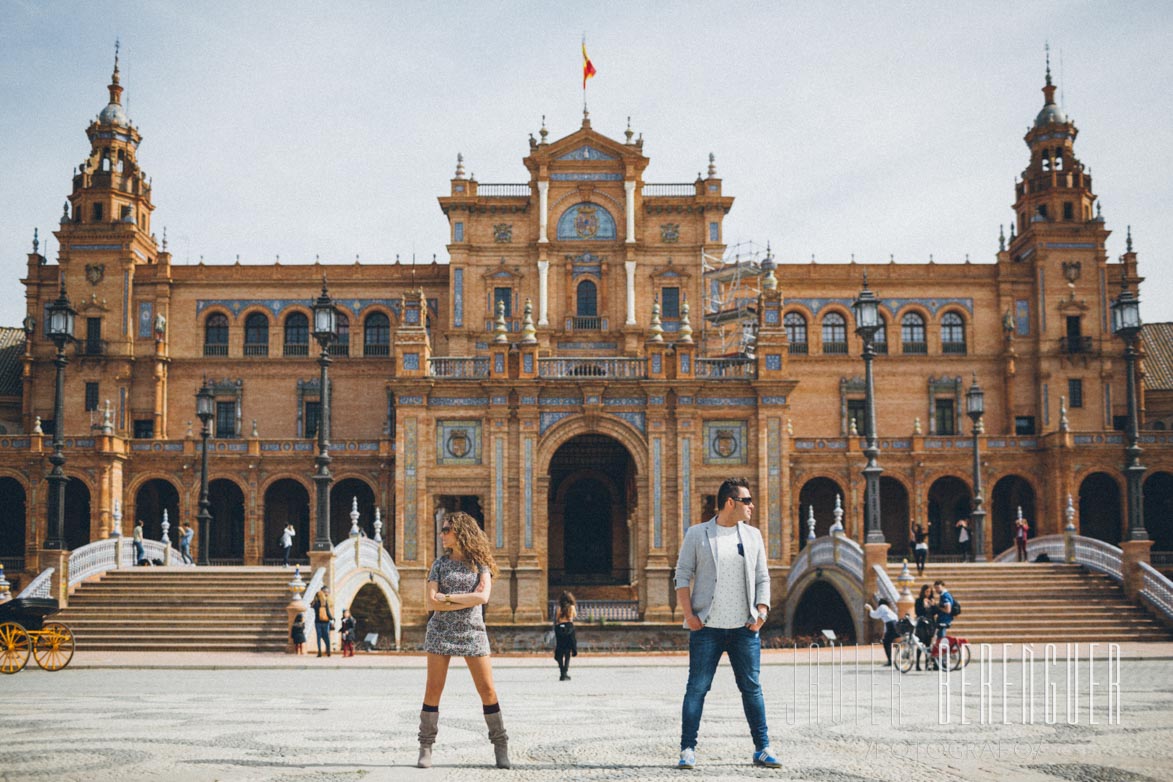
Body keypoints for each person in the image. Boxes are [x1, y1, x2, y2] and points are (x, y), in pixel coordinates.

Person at [674, 477, 778, 771]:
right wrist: (690, 616)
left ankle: (762, 747)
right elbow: (682, 577)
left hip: (744, 628)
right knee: (697, 688)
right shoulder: (698, 534)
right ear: (730, 503)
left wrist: (761, 613)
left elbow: (763, 577)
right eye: (747, 501)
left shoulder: (753, 536)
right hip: (706, 627)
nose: (752, 507)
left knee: (752, 688)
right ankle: (687, 749)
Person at [417, 511, 509, 770]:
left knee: (488, 690)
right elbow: (429, 603)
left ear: (461, 532)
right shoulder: (438, 565)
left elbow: (483, 598)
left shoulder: (481, 565)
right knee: (433, 690)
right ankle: (426, 746)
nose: (442, 534)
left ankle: (500, 744)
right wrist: (461, 599)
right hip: (440, 631)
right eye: (442, 529)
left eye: (446, 529)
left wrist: (446, 599)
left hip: (472, 631)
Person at [865, 598, 899, 666]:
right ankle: (890, 660)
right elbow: (886, 624)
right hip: (895, 626)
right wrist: (884, 634)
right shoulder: (889, 611)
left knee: (886, 643)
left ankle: (890, 661)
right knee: (887, 641)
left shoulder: (882, 607)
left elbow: (875, 615)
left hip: (891, 626)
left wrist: (870, 608)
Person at [553, 591, 578, 681]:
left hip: (560, 629)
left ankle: (562, 672)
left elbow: (557, 619)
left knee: (560, 651)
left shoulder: (559, 608)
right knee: (567, 653)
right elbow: (573, 617)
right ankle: (565, 673)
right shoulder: (571, 607)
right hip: (569, 629)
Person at [914, 584, 935, 671]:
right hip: (921, 625)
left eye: (929, 592)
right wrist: (924, 605)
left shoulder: (931, 600)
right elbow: (918, 612)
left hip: (930, 625)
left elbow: (934, 612)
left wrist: (933, 605)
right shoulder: (919, 601)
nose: (928, 593)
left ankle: (927, 664)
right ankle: (917, 664)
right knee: (920, 645)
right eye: (926, 591)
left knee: (928, 645)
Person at [932, 580, 955, 652]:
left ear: (943, 586)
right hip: (943, 619)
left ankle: (943, 657)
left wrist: (938, 607)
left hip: (944, 620)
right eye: (935, 588)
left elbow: (948, 610)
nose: (936, 590)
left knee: (941, 639)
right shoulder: (943, 595)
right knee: (940, 638)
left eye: (938, 588)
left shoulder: (945, 596)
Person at [311, 586, 334, 657]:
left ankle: (319, 652)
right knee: (326, 636)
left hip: (317, 622)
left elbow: (312, 607)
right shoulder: (324, 602)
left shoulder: (315, 603)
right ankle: (328, 650)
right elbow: (327, 612)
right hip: (325, 621)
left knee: (318, 637)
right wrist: (332, 619)